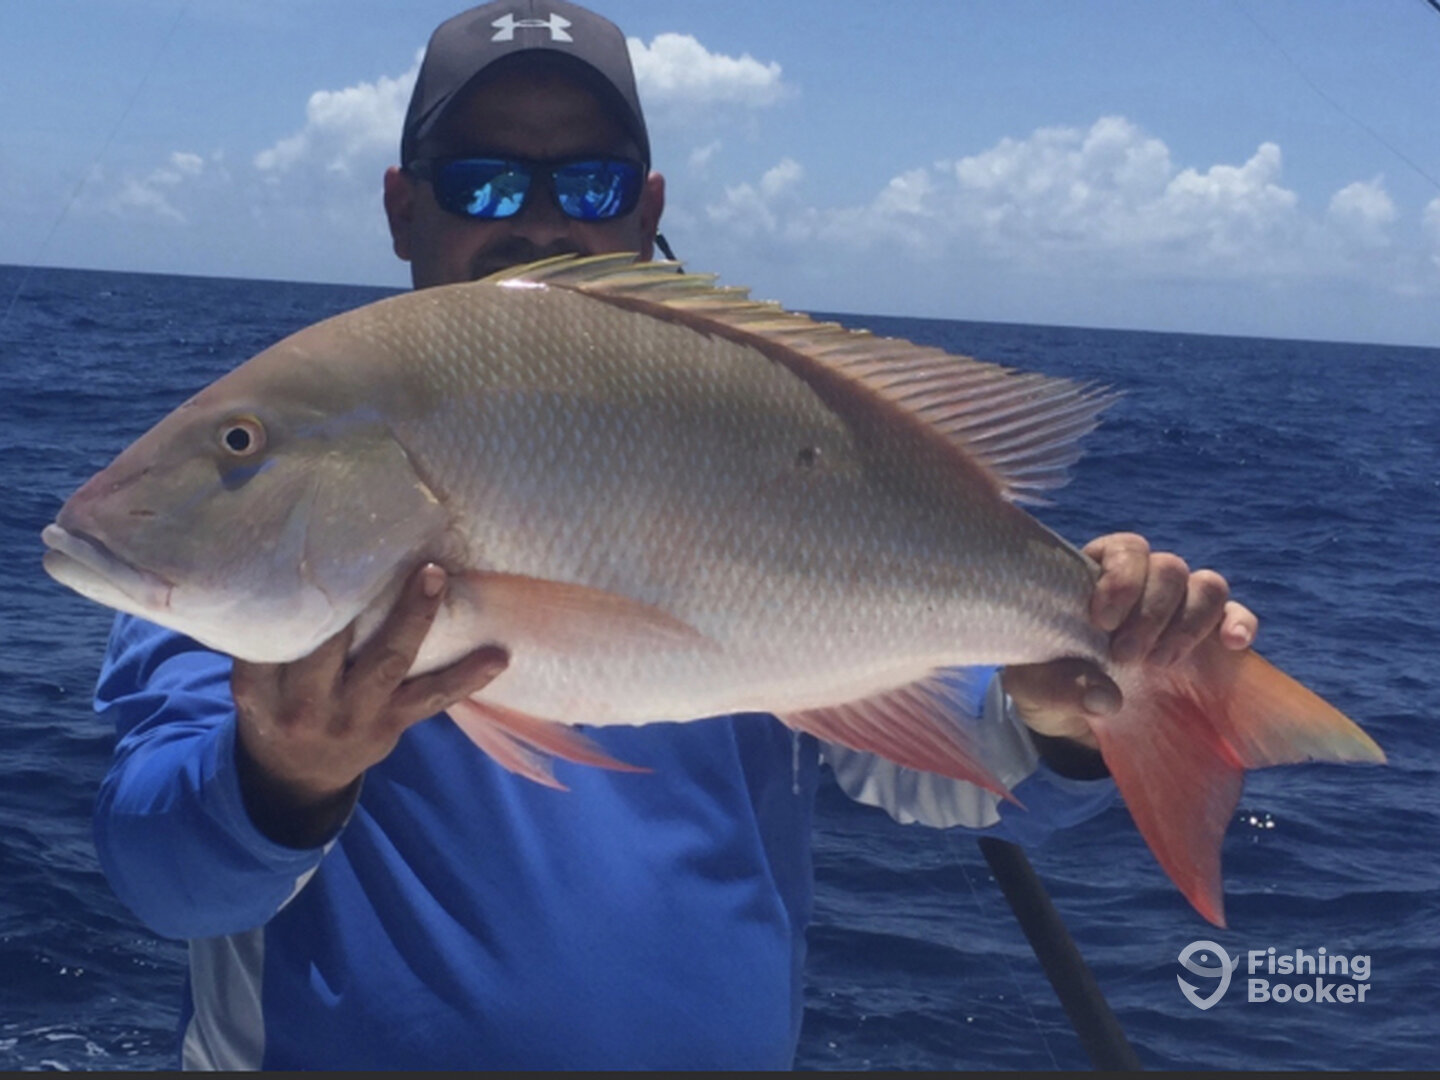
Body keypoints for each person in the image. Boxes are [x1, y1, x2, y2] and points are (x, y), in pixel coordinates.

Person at [92, 1, 1258, 1069]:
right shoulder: (245, 579)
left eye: (592, 185)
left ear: (648, 211)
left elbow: (971, 769)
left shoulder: (744, 418)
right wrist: (281, 776)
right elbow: (166, 875)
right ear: (406, 205)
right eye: (485, 183)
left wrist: (1066, 720)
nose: (542, 219)